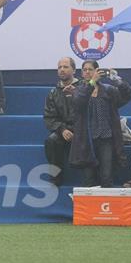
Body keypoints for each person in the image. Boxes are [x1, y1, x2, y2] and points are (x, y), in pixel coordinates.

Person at [69, 60, 131, 188]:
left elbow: (127, 94)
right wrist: (92, 83)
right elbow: (79, 102)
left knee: (106, 176)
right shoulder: (78, 91)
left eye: (90, 69)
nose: (87, 72)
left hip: (106, 139)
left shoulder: (108, 90)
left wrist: (117, 79)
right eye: (84, 70)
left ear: (97, 71)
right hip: (87, 141)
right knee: (88, 179)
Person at [43, 57, 79, 186]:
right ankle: (56, 177)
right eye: (59, 67)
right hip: (63, 130)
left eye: (65, 67)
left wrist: (76, 130)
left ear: (74, 70)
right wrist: (62, 129)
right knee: (51, 141)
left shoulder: (83, 88)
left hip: (82, 130)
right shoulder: (53, 93)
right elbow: (49, 118)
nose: (62, 70)